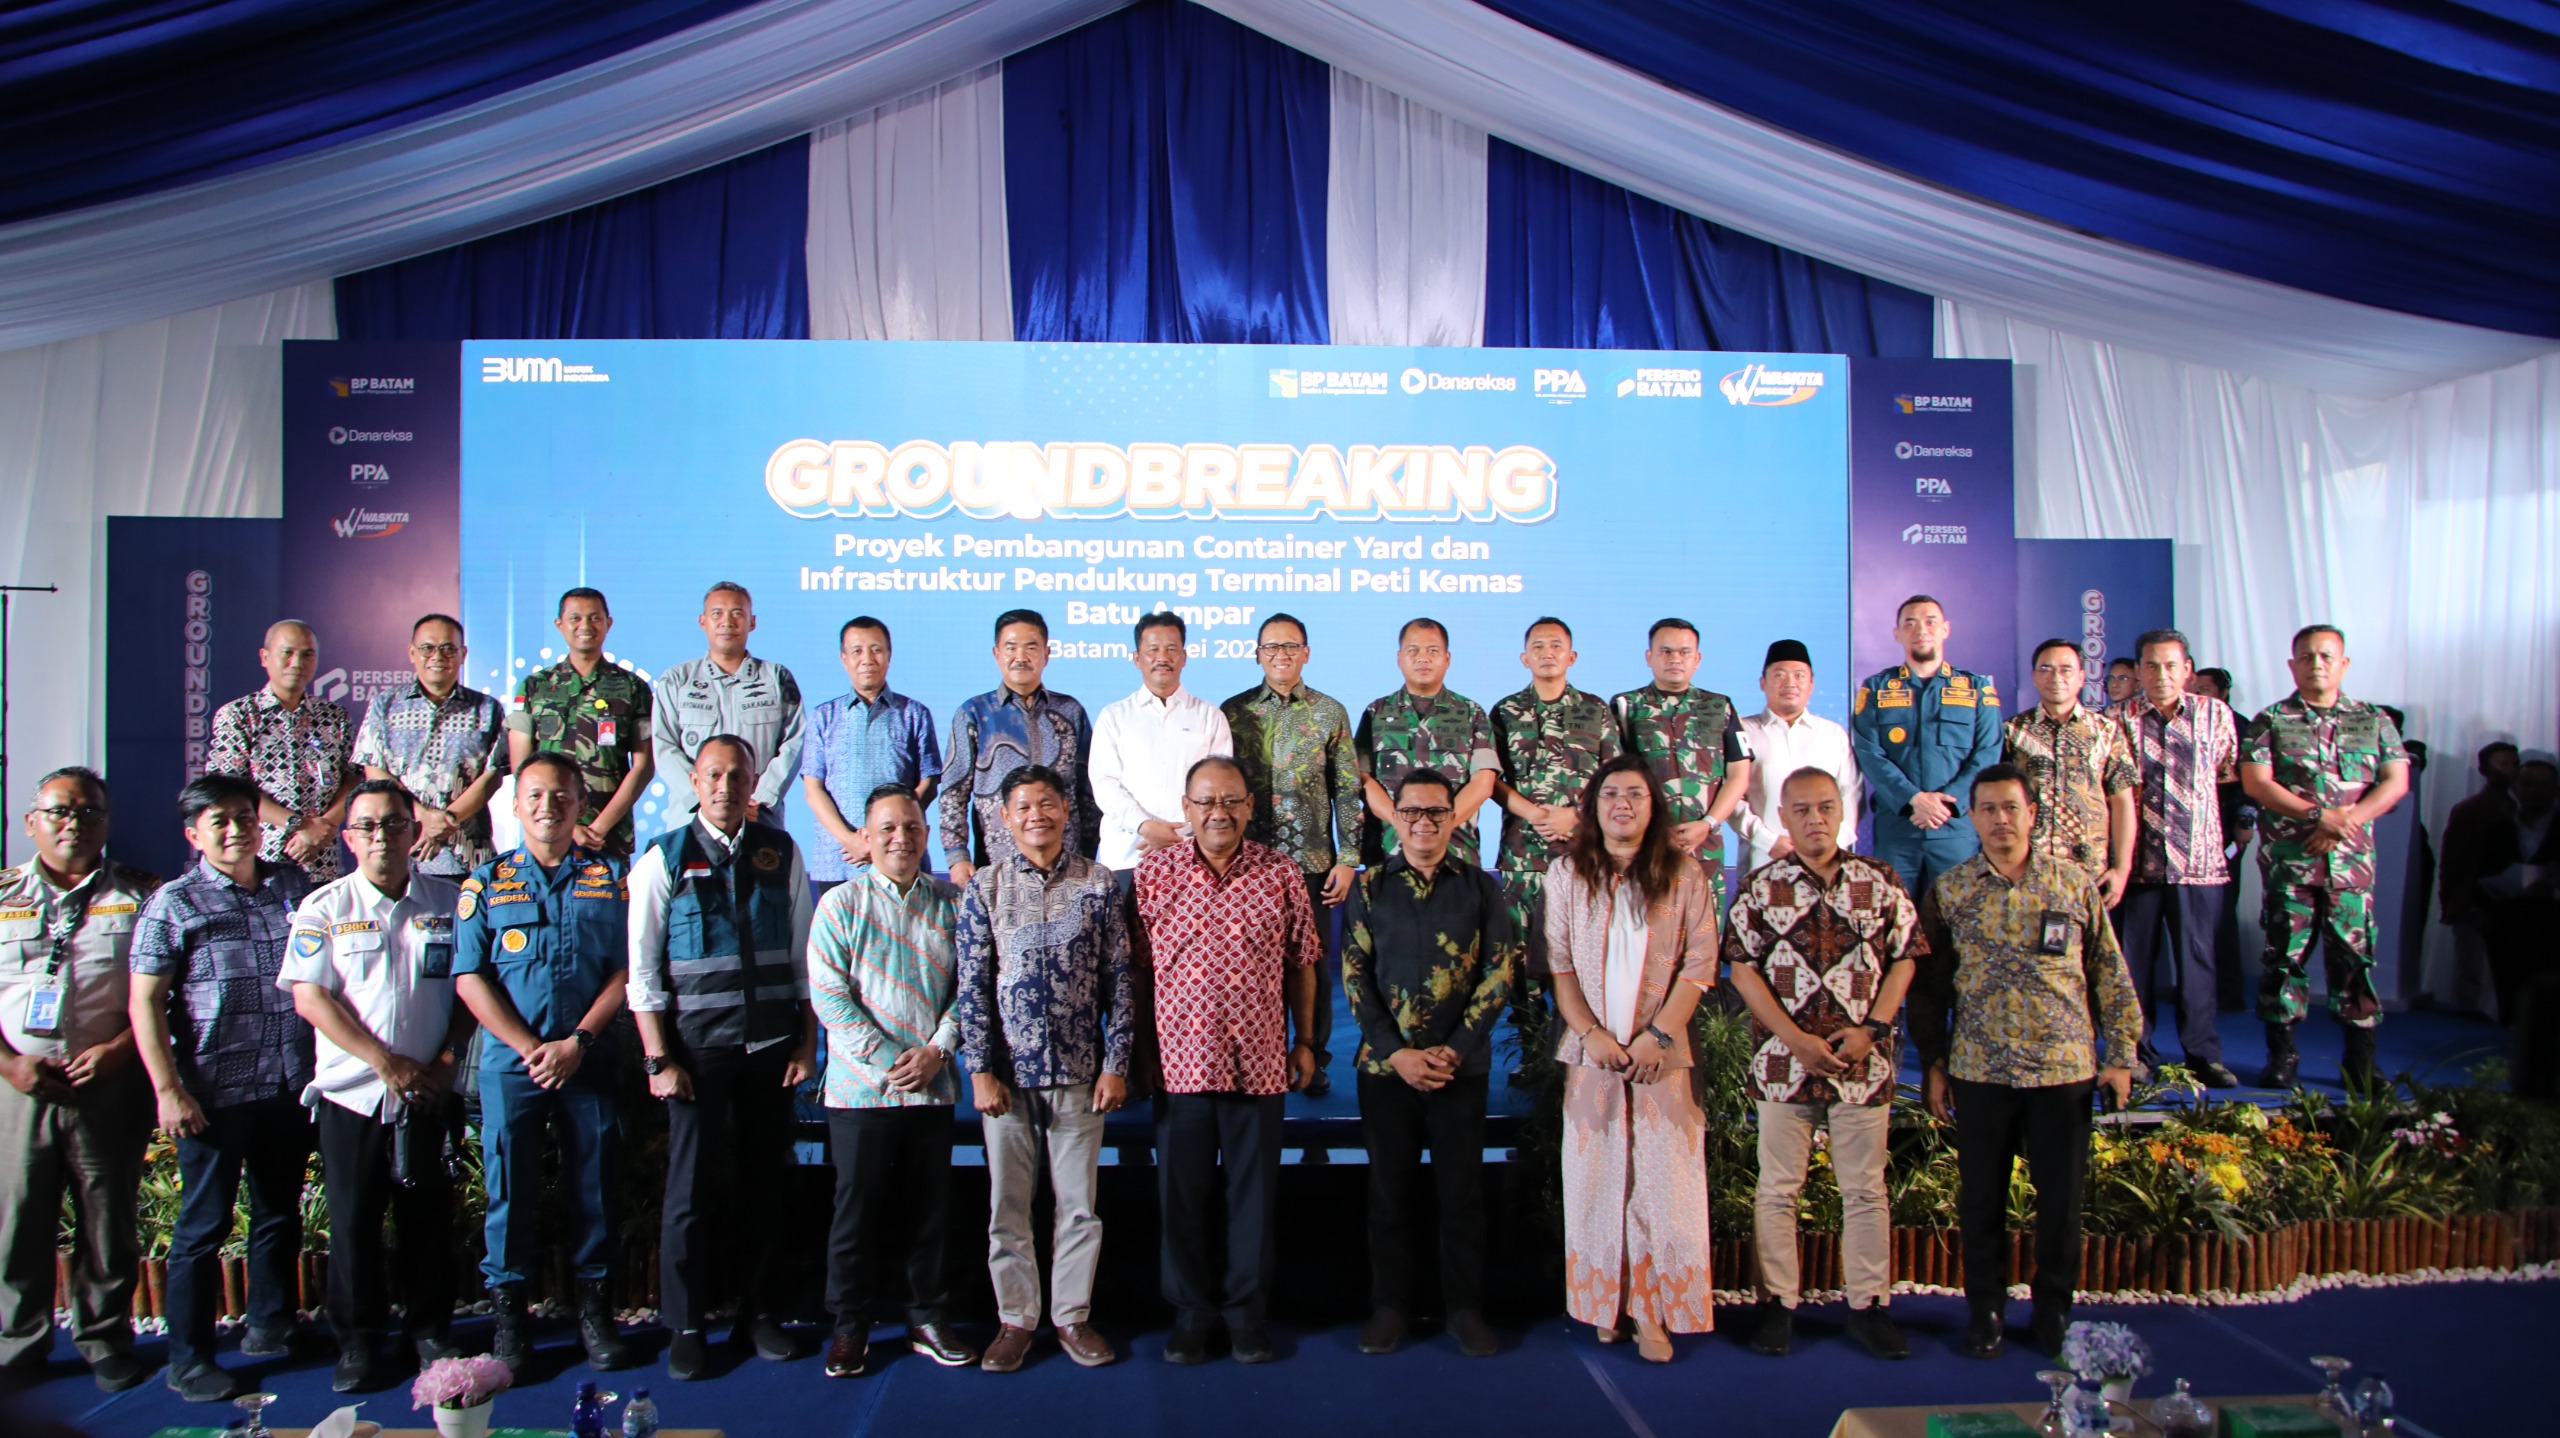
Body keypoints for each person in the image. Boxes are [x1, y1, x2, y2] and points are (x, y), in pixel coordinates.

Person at [1911, 765, 2137, 1361]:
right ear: (1974, 817)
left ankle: (2054, 1308)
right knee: (1981, 1197)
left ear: (2032, 812)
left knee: (2059, 1199)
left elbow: (2108, 973)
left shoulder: (2072, 885)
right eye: (1987, 809)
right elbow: (1930, 989)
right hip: (1981, 1068)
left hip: (2062, 1069)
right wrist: (1933, 1060)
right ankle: (1985, 1308)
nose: (2000, 820)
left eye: (2011, 807)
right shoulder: (1951, 891)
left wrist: (2122, 1056)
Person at [627, 737, 817, 1379]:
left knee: (766, 1183)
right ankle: (685, 1324)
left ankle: (759, 1311)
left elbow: (801, 958)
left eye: (738, 774)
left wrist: (805, 1038)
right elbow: (643, 970)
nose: (726, 786)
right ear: (694, 780)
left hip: (769, 1048)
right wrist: (658, 1058)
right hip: (696, 1053)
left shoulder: (780, 852)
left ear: (755, 778)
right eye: (714, 775)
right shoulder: (664, 856)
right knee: (689, 1191)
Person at [127, 774, 318, 1401]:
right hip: (212, 1093)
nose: (236, 830)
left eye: (244, 817)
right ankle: (189, 1357)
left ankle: (270, 1325)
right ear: (194, 834)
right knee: (203, 1226)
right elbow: (146, 1003)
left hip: (287, 1083)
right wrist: (168, 1088)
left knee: (277, 1214)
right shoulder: (173, 903)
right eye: (220, 822)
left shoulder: (292, 886)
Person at [281, 780, 472, 1392]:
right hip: (354, 1094)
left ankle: (429, 1330)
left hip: (430, 1091)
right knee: (355, 1222)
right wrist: (382, 1062)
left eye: (394, 824)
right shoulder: (324, 908)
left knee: (429, 1220)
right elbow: (310, 996)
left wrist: (444, 1062)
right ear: (348, 838)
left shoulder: (451, 900)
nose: (381, 836)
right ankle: (360, 1341)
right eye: (366, 826)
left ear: (416, 832)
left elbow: (471, 988)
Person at [1725, 767, 1921, 1362]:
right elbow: (1742, 970)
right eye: (1802, 809)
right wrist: (1795, 1041)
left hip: (1863, 1064)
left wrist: (1874, 1030)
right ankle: (1778, 1305)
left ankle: (1868, 1306)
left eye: (1826, 807)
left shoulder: (1880, 880)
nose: (1815, 819)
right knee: (1779, 1188)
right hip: (1784, 1066)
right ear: (1782, 817)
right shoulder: (1761, 887)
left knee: (1864, 1190)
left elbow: (1907, 957)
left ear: (1844, 813)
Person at [1134, 756, 1320, 1365]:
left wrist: (1306, 1041)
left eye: (1232, 801)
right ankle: (1191, 1316)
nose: (1220, 812)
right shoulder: (1153, 875)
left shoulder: (1281, 873)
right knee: (1181, 1198)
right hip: (1180, 1065)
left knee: (1253, 1199)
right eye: (1206, 801)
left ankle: (1245, 1316)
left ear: (1250, 806)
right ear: (1185, 808)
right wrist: (1137, 1052)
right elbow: (1135, 972)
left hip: (1261, 1063)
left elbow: (1303, 962)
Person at [453, 753, 634, 1374]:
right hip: (513, 1064)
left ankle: (595, 1313)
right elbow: (470, 978)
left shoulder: (610, 877)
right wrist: (532, 1049)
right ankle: (510, 1320)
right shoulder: (485, 883)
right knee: (510, 1188)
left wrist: (576, 1042)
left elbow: (624, 969)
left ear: (581, 804)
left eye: (561, 795)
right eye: (534, 795)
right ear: (515, 803)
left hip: (589, 1055)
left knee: (597, 1184)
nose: (547, 806)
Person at [953, 765, 1134, 1373]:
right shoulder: (984, 887)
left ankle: (1072, 1318)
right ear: (1004, 817)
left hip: (1083, 1072)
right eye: (1024, 806)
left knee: (1079, 1207)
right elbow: (972, 987)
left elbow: (1121, 980)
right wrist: (978, 1068)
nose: (1038, 815)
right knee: (1009, 1208)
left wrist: (1117, 1062)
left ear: (1066, 811)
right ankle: (1015, 1320)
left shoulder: (1099, 883)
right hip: (1006, 1079)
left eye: (1049, 804)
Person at [1545, 756, 1717, 1364]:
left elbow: (1700, 965)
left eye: (1636, 795)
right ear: (1592, 806)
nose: (1623, 804)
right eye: (1610, 794)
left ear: (1653, 806)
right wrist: (1589, 1032)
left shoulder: (1685, 875)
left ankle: (1654, 1312)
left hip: (1659, 1056)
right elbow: (1560, 965)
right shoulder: (1566, 876)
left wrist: (1660, 1037)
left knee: (1662, 1185)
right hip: (1592, 1053)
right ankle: (1603, 1303)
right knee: (1595, 1183)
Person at [1341, 769, 1516, 1359]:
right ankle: (1390, 1307)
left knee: (1461, 1194)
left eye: (1436, 813)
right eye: (1411, 812)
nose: (1423, 823)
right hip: (1387, 1072)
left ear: (1454, 818)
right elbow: (1355, 976)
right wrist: (1398, 1053)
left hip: (1456, 1070)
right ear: (1395, 818)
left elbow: (1500, 972)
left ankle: (1463, 1309)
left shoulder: (1481, 887)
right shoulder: (1369, 889)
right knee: (1389, 1194)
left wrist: (1455, 1049)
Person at [808, 783, 977, 1379]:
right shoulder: (840, 906)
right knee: (856, 1211)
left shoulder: (951, 905)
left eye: (911, 827)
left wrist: (938, 1050)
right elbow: (830, 996)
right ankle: (850, 1326)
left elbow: (970, 989)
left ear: (927, 835)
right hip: (861, 1091)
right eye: (886, 829)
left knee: (930, 1208)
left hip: (932, 1086)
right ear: (865, 839)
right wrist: (888, 1059)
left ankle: (926, 1316)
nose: (900, 838)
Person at [0, 768, 159, 1392]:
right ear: (32, 820)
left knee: (107, 1217)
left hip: (107, 1081)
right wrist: (12, 1063)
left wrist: (121, 1051)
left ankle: (104, 1337)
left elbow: (166, 997)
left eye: (89, 812)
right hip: (19, 1084)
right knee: (17, 1220)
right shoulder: (3, 894)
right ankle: (18, 1340)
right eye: (61, 811)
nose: (74, 824)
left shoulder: (142, 895)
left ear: (107, 822)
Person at [2238, 625, 2410, 1089]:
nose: (2317, 664)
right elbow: (2256, 783)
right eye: (2307, 656)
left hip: (2350, 867)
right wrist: (2319, 815)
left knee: (2355, 961)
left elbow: (2395, 781)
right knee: (2284, 958)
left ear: (2344, 664)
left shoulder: (2373, 719)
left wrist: (2343, 823)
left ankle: (2361, 1060)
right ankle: (2283, 1054)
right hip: (2291, 865)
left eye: (2326, 656)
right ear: (2292, 664)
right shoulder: (2271, 719)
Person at [1221, 614, 1361, 1098]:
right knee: (1248, 966)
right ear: (1257, 654)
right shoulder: (1233, 712)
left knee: (1312, 965)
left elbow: (1347, 790)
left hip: (1312, 863)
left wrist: (1349, 858)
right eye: (1270, 646)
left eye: (1291, 645)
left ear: (1306, 652)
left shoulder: (1329, 712)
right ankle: (1253, 1057)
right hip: (1248, 865)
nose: (1280, 654)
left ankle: (1312, 1059)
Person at [2112, 630, 2242, 1086]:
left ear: (2187, 669)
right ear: (2139, 670)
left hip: (2199, 863)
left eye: (2171, 666)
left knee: (2198, 965)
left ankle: (2203, 1054)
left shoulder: (2216, 716)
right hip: (2137, 866)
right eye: (2151, 666)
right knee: (2132, 966)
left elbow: (2226, 774)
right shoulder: (2117, 719)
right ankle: (2135, 1052)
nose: (2161, 675)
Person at [1492, 618, 1619, 1058]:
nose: (1548, 652)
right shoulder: (1504, 712)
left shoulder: (1596, 710)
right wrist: (1533, 813)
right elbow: (1490, 779)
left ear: (1572, 656)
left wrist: (1578, 816)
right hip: (1522, 856)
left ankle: (1582, 1051)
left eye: (1556, 645)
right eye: (1538, 646)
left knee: (1586, 955)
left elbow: (1614, 777)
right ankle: (1530, 1053)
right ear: (1524, 657)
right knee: (1522, 962)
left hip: (1585, 855)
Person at [1851, 595, 2004, 895]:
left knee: (1959, 925)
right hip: (1898, 830)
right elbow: (1868, 752)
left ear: (1945, 629)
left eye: (1930, 622)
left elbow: (1988, 752)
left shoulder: (1976, 688)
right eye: (1910, 623)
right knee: (1893, 923)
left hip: (1955, 830)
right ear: (1897, 633)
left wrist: (1947, 802)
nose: (1921, 629)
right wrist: (1913, 798)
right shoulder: (1876, 688)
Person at [941, 610, 1100, 886]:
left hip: (1067, 865)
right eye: (1011, 648)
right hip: (997, 868)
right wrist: (957, 856)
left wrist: (1087, 855)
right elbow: (953, 793)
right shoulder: (975, 714)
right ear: (996, 653)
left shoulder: (1070, 711)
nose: (1020, 656)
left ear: (1046, 654)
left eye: (1031, 647)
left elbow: (1088, 792)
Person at [352, 614, 509, 882]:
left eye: (448, 648)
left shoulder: (487, 708)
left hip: (467, 854)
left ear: (463, 654)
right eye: (427, 648)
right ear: (412, 653)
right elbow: (374, 769)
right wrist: (421, 816)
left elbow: (492, 776)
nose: (438, 656)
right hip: (402, 852)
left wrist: (446, 820)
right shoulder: (384, 705)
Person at [1611, 618, 1755, 908]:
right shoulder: (1626, 706)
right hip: (1645, 847)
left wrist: (1709, 823)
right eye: (1665, 651)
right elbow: (1614, 781)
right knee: (1646, 939)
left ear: (1697, 659)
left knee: (1705, 940)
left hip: (1705, 848)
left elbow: (1739, 773)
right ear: (1649, 657)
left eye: (1684, 652)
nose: (1675, 659)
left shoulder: (1719, 707)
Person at [207, 619, 359, 883]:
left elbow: (354, 777)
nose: (297, 663)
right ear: (265, 657)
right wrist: (299, 825)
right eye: (287, 653)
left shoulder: (334, 717)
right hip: (259, 862)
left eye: (307, 654)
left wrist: (324, 826)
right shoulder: (239, 716)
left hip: (322, 862)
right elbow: (229, 787)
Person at [507, 588, 655, 859]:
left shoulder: (632, 687)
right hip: (547, 835)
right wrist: (570, 828)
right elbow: (521, 768)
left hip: (608, 837)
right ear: (559, 625)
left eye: (594, 618)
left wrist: (598, 828)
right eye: (575, 618)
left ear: (608, 624)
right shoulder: (534, 687)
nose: (585, 626)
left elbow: (643, 766)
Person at [801, 617, 940, 899]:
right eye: (857, 651)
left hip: (900, 855)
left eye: (876, 649)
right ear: (843, 658)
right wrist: (851, 839)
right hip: (840, 860)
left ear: (889, 654)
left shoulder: (914, 714)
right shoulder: (823, 717)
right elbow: (813, 789)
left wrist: (885, 838)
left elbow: (929, 782)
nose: (867, 659)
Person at [650, 582, 805, 829]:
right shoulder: (677, 680)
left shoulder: (776, 677)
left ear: (751, 622)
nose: (727, 622)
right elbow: (664, 746)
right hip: (692, 820)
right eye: (717, 614)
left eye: (737, 613)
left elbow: (796, 742)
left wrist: (759, 799)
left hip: (758, 818)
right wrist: (704, 799)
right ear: (703, 621)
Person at [1091, 613, 1234, 875]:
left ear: (1184, 657)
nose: (1162, 658)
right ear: (1137, 659)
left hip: (1193, 858)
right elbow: (1105, 784)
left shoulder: (1210, 716)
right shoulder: (1113, 716)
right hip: (1127, 855)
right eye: (1153, 650)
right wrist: (1145, 826)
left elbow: (1221, 790)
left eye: (1171, 649)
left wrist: (1179, 833)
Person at [1355, 618, 1499, 870]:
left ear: (1447, 659)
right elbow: (1362, 779)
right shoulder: (1376, 712)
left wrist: (1436, 826)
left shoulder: (1471, 713)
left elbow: (1483, 783)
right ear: (1399, 658)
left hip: (1456, 854)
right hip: (1388, 853)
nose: (1423, 658)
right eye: (1413, 651)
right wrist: (1402, 823)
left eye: (1432, 651)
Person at [2002, 640, 2136, 901]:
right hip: (2026, 870)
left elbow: (2122, 803)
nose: (2056, 678)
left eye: (2066, 669)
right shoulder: (2013, 732)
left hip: (2090, 874)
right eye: (2046, 669)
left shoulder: (2106, 732)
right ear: (2033, 676)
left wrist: (2122, 868)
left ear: (2082, 677)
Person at [2451, 752, 2559, 1027]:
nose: (2535, 791)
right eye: (2528, 784)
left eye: (2544, 784)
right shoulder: (2499, 828)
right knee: (2509, 996)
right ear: (2515, 787)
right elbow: (2478, 872)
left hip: (2553, 925)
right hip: (2507, 925)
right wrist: (2475, 909)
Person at [1734, 640, 1861, 874]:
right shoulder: (1741, 731)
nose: (1790, 683)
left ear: (1811, 684)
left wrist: (1831, 846)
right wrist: (1768, 841)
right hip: (1763, 860)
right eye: (1780, 675)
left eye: (1799, 675)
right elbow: (1731, 797)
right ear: (1763, 682)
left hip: (1826, 865)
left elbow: (1850, 794)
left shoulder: (1833, 735)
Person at [2439, 740, 2523, 1019]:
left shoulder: (2517, 807)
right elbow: (2454, 860)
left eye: (2514, 763)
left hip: (2510, 899)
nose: (2510, 770)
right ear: (2485, 769)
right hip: (2474, 899)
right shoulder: (2471, 809)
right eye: (2503, 764)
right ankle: (2466, 1023)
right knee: (2471, 969)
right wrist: (2454, 902)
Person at [2190, 668, 2257, 1015]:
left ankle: (2229, 992)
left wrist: (2245, 822)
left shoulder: (2239, 725)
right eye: (2195, 688)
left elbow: (2251, 780)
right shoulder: (2188, 721)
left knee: (2222, 913)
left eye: (2206, 689)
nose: (2199, 694)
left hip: (2227, 831)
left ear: (2224, 692)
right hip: (2191, 832)